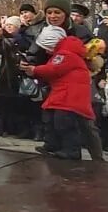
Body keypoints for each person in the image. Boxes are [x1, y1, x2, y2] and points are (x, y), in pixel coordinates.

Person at [21, 24, 95, 160]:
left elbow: (53, 70)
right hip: (63, 94)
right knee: (50, 117)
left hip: (69, 97)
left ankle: (72, 150)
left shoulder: (65, 54)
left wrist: (35, 70)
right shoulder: (65, 54)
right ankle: (52, 143)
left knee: (64, 123)